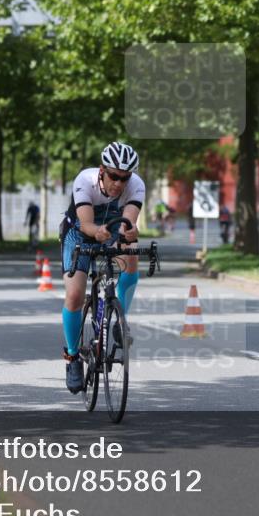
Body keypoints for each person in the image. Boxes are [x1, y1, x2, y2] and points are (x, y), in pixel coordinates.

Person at [59, 142, 145, 393]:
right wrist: (98, 232)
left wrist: (129, 233)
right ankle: (72, 357)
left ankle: (119, 319)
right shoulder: (84, 180)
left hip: (110, 229)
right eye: (114, 176)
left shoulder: (136, 185)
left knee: (130, 254)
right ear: (102, 170)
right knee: (74, 295)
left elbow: (127, 222)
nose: (119, 183)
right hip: (79, 233)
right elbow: (86, 223)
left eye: (124, 178)